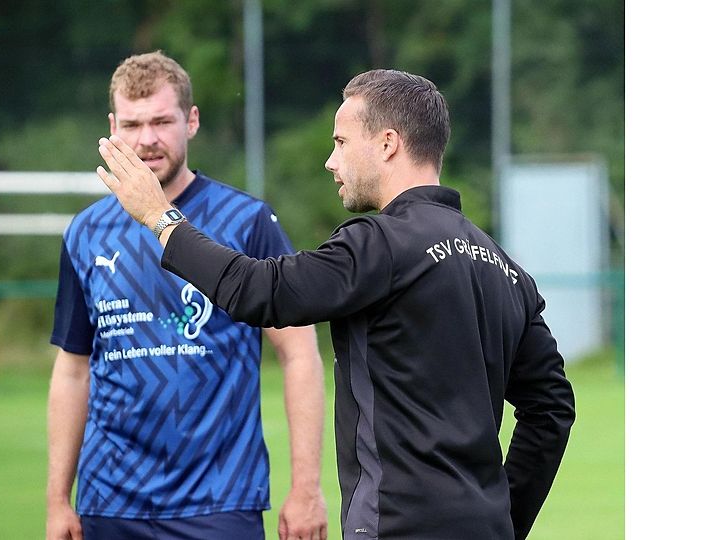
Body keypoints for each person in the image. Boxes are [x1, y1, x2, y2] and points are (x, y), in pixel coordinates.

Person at [96, 68, 576, 540]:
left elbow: (259, 291)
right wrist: (505, 521)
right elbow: (552, 408)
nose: (331, 160)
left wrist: (161, 218)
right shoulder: (506, 268)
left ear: (387, 144)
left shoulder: (380, 245)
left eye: (341, 142)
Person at [46, 51, 328, 540]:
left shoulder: (246, 221)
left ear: (191, 121)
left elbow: (300, 352)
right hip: (110, 502)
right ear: (112, 127)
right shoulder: (86, 233)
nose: (147, 139)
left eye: (162, 121)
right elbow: (73, 370)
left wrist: (306, 488)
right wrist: (57, 501)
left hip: (220, 501)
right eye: (132, 124)